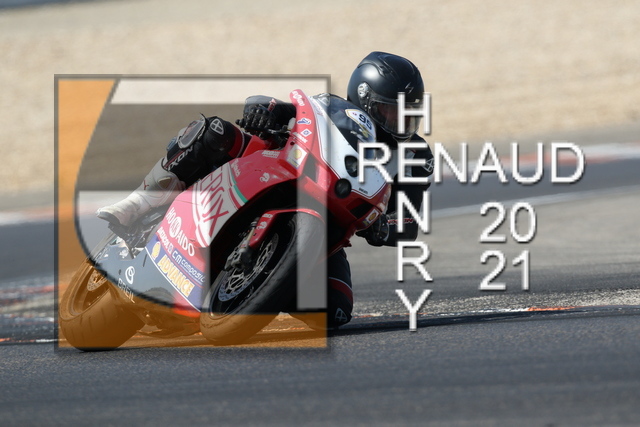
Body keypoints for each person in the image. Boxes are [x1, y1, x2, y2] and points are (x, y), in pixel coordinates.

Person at [97, 51, 434, 328]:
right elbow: (287, 110)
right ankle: (139, 203)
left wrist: (382, 226)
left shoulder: (416, 157)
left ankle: (256, 288)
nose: (402, 120)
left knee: (334, 311)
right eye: (393, 109)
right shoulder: (331, 107)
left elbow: (409, 223)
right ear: (366, 98)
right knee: (215, 132)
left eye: (410, 112)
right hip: (277, 167)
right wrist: (264, 110)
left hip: (328, 224)